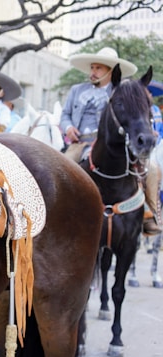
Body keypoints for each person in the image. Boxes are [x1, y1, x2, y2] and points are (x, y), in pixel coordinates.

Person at [60, 47, 161, 235]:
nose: (93, 72)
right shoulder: (77, 90)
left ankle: (149, 213)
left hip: (114, 144)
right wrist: (68, 128)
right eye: (92, 68)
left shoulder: (123, 91)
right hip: (80, 142)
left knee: (152, 169)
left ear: (110, 71)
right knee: (62, 167)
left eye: (98, 68)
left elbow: (137, 115)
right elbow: (65, 114)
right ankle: (58, 211)